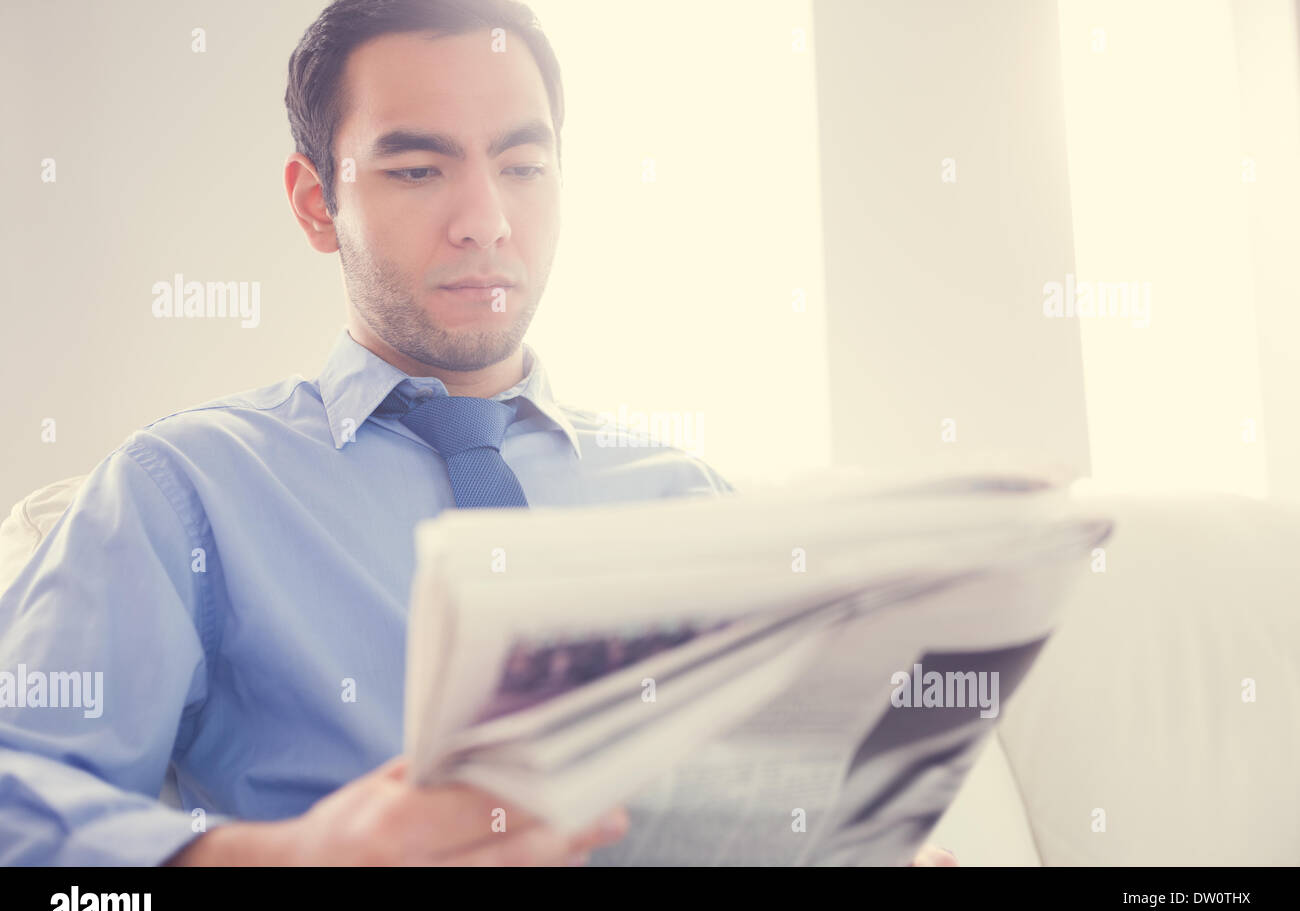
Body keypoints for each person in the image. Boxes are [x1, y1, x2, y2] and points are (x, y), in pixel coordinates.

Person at [0, 0, 953, 867]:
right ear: (314, 202)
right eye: (418, 169)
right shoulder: (188, 490)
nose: (486, 222)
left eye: (524, 167)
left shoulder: (681, 496)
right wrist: (287, 859)